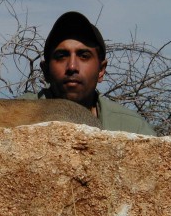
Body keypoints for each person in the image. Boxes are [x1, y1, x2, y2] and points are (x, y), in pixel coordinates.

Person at [21, 11, 156, 136]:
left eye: (84, 56)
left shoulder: (132, 128)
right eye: (61, 56)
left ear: (101, 70)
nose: (72, 66)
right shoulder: (18, 116)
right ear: (46, 71)